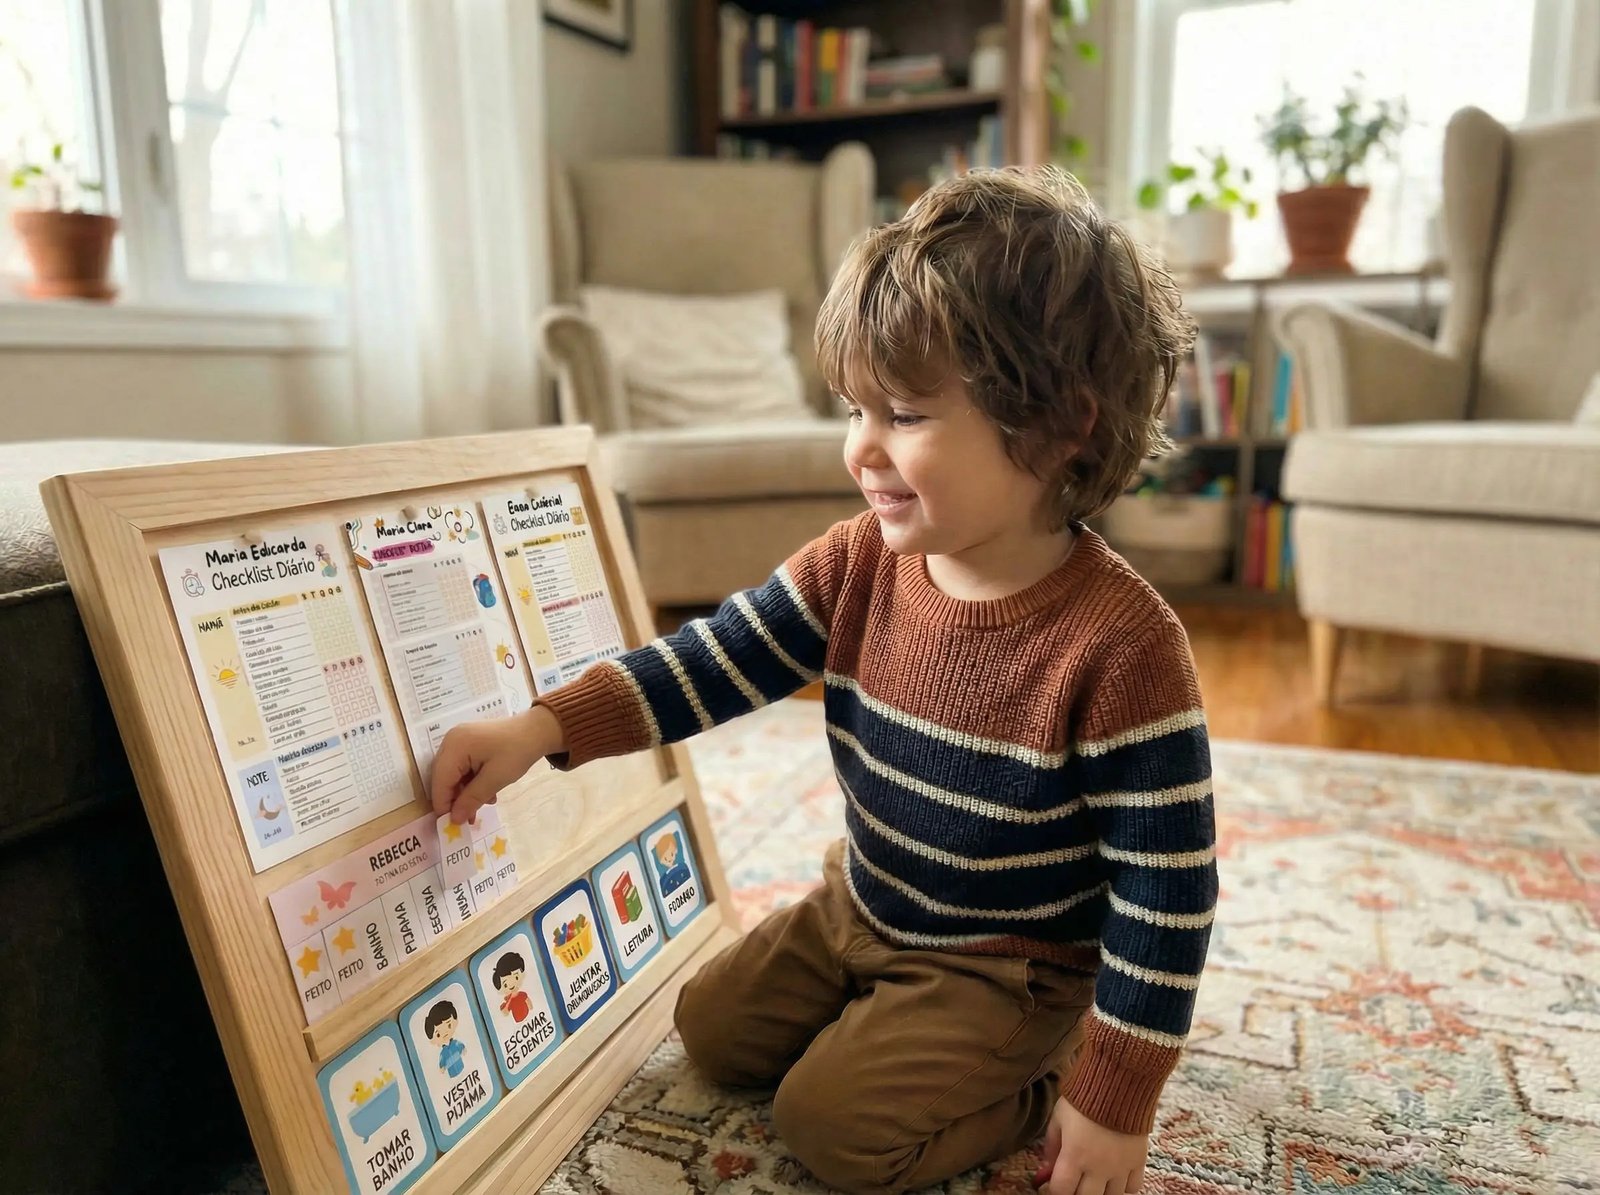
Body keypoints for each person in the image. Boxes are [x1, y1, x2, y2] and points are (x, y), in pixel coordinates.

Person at [431, 166, 1216, 1195]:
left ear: (1061, 426)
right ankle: (899, 1019)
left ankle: (1046, 1062)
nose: (859, 450)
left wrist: (1114, 1100)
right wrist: (542, 726)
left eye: (904, 414)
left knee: (833, 1129)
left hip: (1007, 966)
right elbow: (709, 662)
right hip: (862, 904)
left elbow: (1168, 894)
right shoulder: (855, 564)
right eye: (854, 409)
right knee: (709, 1029)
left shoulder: (1124, 647)